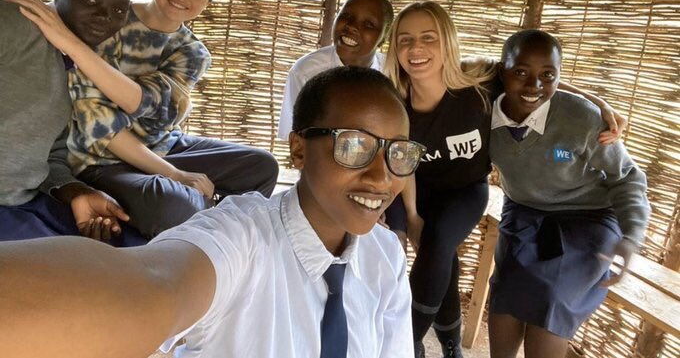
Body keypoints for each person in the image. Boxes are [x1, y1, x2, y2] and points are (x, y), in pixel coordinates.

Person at [0, 66, 425, 358]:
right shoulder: (241, 238)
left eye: (398, 154)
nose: (381, 175)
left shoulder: (383, 256)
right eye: (354, 145)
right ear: (298, 149)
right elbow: (157, 284)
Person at [383, 1, 628, 358]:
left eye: (428, 38)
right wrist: (413, 216)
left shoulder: (480, 82)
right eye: (404, 39)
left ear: (448, 42)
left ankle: (405, 344)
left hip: (464, 191)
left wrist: (598, 102)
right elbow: (401, 161)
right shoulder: (394, 98)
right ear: (394, 47)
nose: (415, 49)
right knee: (399, 248)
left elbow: (540, 80)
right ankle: (447, 346)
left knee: (437, 244)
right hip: (411, 188)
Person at [11, 0, 279, 238]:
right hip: (100, 156)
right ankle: (201, 222)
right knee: (173, 207)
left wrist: (72, 47)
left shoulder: (192, 52)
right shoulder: (109, 19)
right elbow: (98, 126)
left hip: (161, 146)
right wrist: (175, 175)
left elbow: (149, 105)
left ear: (208, 1)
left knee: (262, 166)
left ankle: (215, 225)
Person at [487, 29, 649, 358]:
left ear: (559, 77)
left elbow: (628, 176)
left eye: (548, 75)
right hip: (523, 212)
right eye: (520, 72)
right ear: (502, 72)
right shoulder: (482, 107)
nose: (533, 86)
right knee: (504, 299)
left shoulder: (581, 119)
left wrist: (631, 235)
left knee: (552, 307)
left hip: (588, 218)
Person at [1, 0, 144, 245]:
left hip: (25, 205)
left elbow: (49, 156)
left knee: (133, 248)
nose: (105, 15)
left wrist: (76, 192)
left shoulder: (79, 68)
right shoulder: (16, 21)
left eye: (118, 10)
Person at [277, 0, 393, 140]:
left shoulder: (392, 73)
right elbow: (296, 139)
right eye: (346, 16)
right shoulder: (305, 73)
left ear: (383, 38)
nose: (352, 26)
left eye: (368, 24)